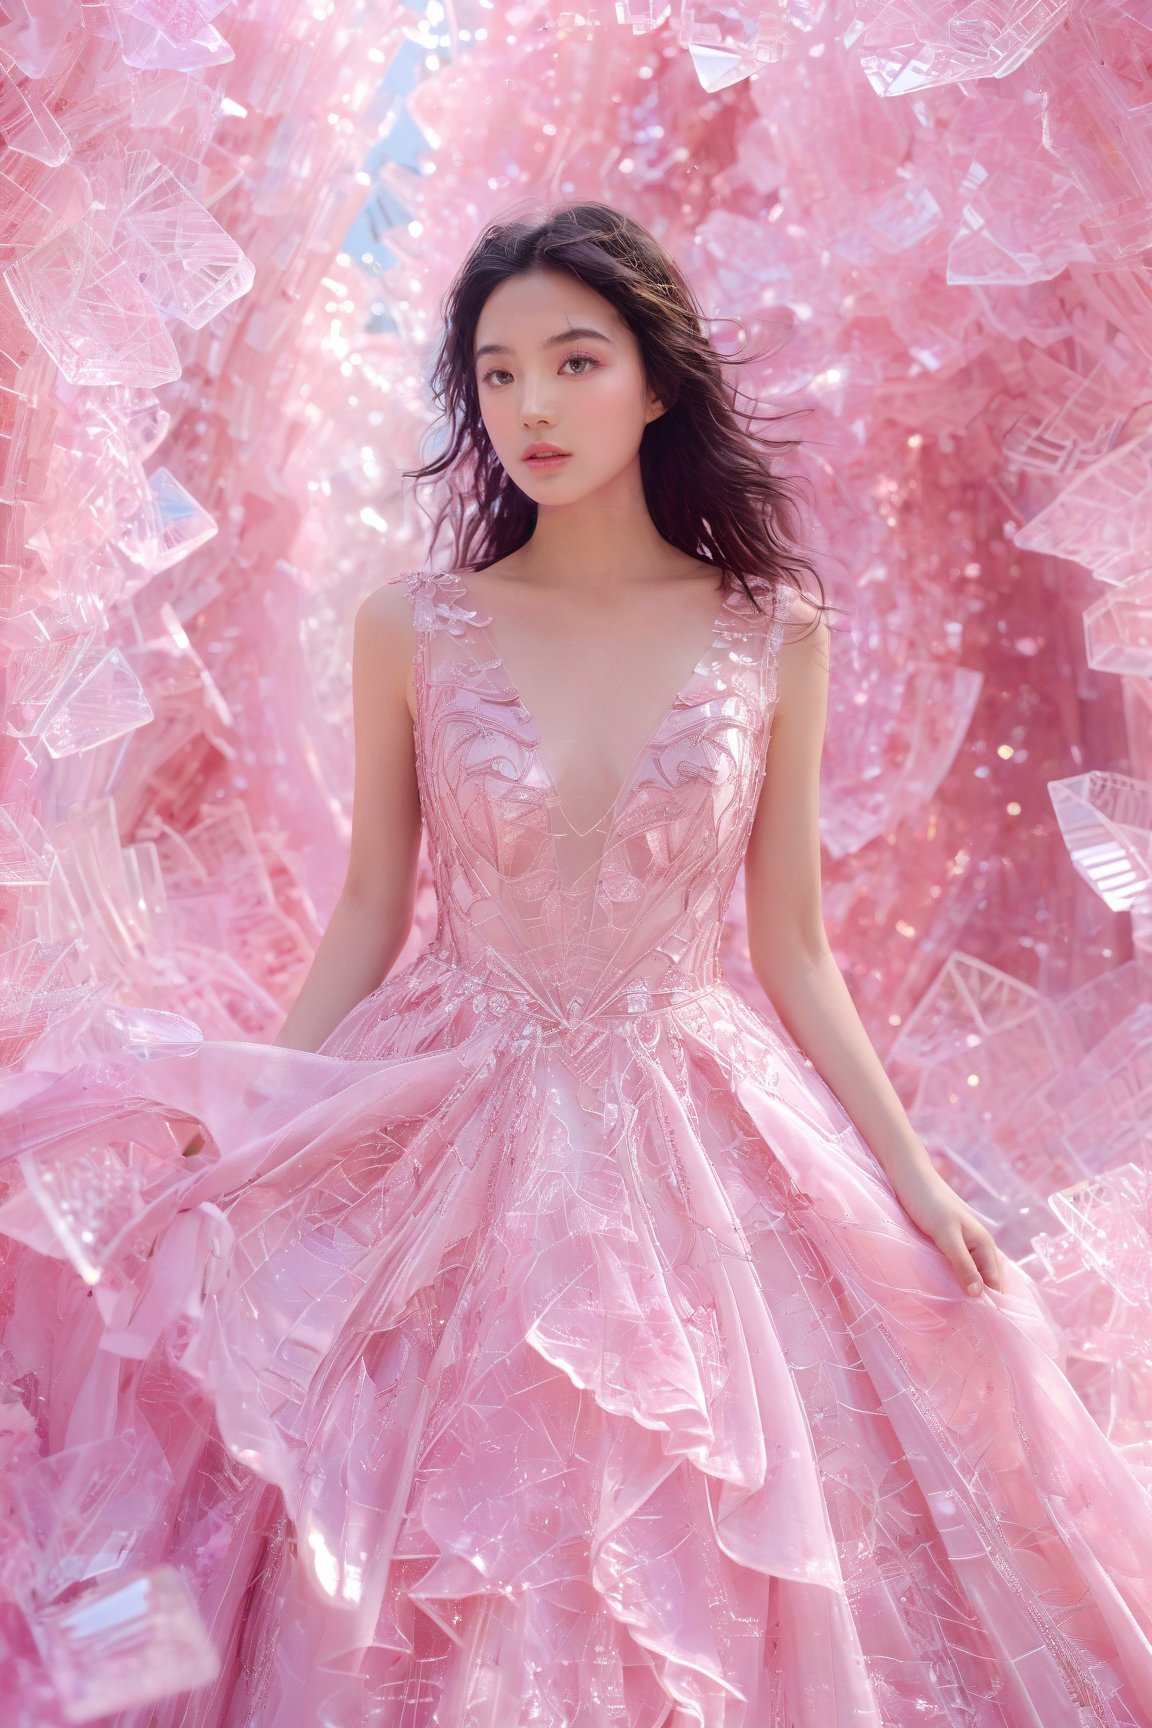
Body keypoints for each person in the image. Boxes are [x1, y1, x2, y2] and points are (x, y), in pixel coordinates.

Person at [2, 201, 1152, 1728]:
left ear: (659, 382)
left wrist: (919, 1183)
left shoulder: (772, 630)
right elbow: (369, 909)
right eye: (494, 375)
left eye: (572, 361)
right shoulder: (413, 626)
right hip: (454, 1108)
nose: (530, 406)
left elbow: (791, 948)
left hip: (699, 1125)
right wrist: (265, 1105)